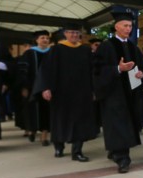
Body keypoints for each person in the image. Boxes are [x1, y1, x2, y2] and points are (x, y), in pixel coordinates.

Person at [93, 7, 143, 173]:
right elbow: (97, 70)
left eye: (130, 26)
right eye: (125, 25)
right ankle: (123, 158)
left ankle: (115, 151)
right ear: (116, 27)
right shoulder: (106, 47)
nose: (128, 29)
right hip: (113, 94)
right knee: (117, 125)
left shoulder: (133, 47)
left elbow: (141, 67)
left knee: (124, 126)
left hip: (130, 94)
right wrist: (117, 69)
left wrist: (141, 73)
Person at [36, 23, 98, 161]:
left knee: (80, 121)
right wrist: (46, 88)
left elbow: (93, 71)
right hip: (60, 93)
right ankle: (59, 147)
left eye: (76, 33)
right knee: (60, 120)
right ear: (65, 34)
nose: (74, 35)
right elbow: (45, 70)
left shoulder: (85, 50)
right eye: (71, 32)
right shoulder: (56, 50)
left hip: (81, 92)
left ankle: (77, 151)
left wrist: (93, 90)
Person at [16, 30, 52, 146]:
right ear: (36, 40)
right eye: (42, 38)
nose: (45, 40)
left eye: (47, 38)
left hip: (48, 87)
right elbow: (22, 72)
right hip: (32, 87)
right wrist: (24, 87)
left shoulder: (52, 52)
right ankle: (32, 130)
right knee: (32, 110)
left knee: (47, 111)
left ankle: (44, 136)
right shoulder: (29, 53)